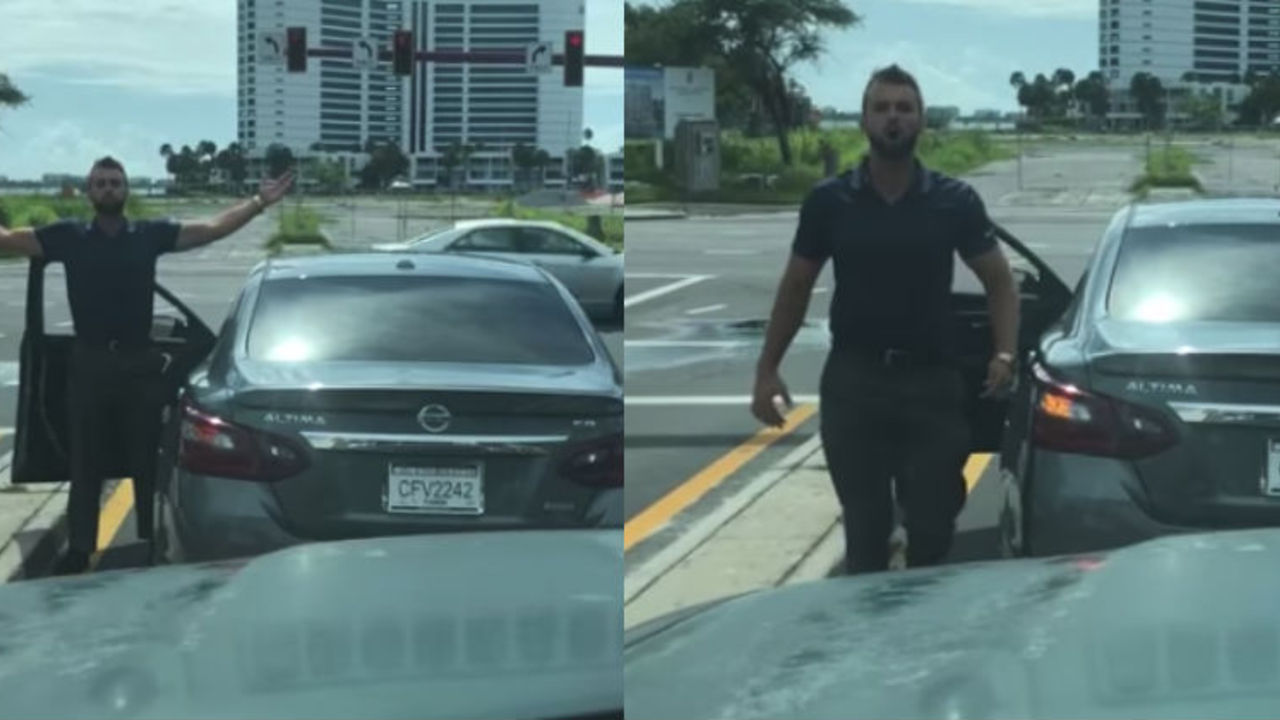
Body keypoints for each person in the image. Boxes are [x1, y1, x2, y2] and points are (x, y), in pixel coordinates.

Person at [750, 65, 1019, 574]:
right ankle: (868, 637)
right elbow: (795, 287)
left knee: (934, 529)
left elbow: (1000, 283)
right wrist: (767, 369)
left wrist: (1004, 352)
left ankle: (921, 622)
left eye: (904, 108)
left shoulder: (954, 201)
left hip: (933, 384)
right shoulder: (829, 201)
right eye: (882, 108)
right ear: (864, 122)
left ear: (921, 122)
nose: (893, 118)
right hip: (857, 383)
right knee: (865, 535)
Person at [0, 156, 294, 574]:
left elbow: (210, 230)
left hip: (139, 366)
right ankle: (81, 548)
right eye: (100, 183)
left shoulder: (148, 235)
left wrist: (258, 203)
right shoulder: (67, 236)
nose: (108, 189)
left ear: (126, 190)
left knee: (146, 459)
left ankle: (150, 541)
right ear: (88, 192)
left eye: (115, 182)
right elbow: (10, 239)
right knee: (85, 461)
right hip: (89, 365)